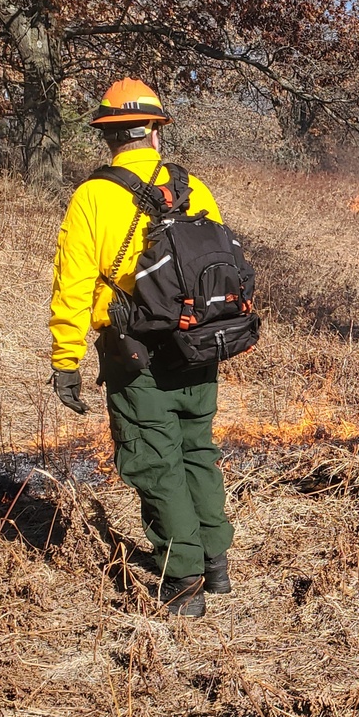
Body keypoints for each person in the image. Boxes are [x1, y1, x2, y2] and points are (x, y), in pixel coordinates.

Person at [49, 78, 233, 617]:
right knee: (197, 448)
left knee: (154, 460)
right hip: (199, 344)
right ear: (155, 130)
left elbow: (73, 285)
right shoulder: (194, 187)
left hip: (135, 353)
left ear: (107, 135)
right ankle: (215, 562)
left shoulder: (92, 197)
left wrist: (66, 360)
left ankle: (182, 582)